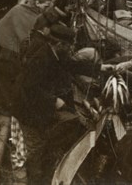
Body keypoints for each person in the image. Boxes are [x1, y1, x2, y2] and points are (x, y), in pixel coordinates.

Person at [12, 22, 112, 185]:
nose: (71, 49)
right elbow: (29, 88)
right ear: (58, 44)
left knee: (45, 141)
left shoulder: (57, 53)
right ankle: (34, 180)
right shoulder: (40, 58)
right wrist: (54, 101)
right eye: (68, 45)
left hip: (39, 104)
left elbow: (73, 65)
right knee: (36, 145)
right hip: (26, 107)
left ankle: (45, 172)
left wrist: (100, 68)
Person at [0, 0, 52, 115]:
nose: (48, 9)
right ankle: (3, 107)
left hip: (11, 45)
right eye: (46, 6)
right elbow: (27, 35)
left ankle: (9, 105)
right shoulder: (22, 11)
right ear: (37, 3)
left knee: (10, 77)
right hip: (6, 46)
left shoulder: (32, 11)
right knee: (5, 78)